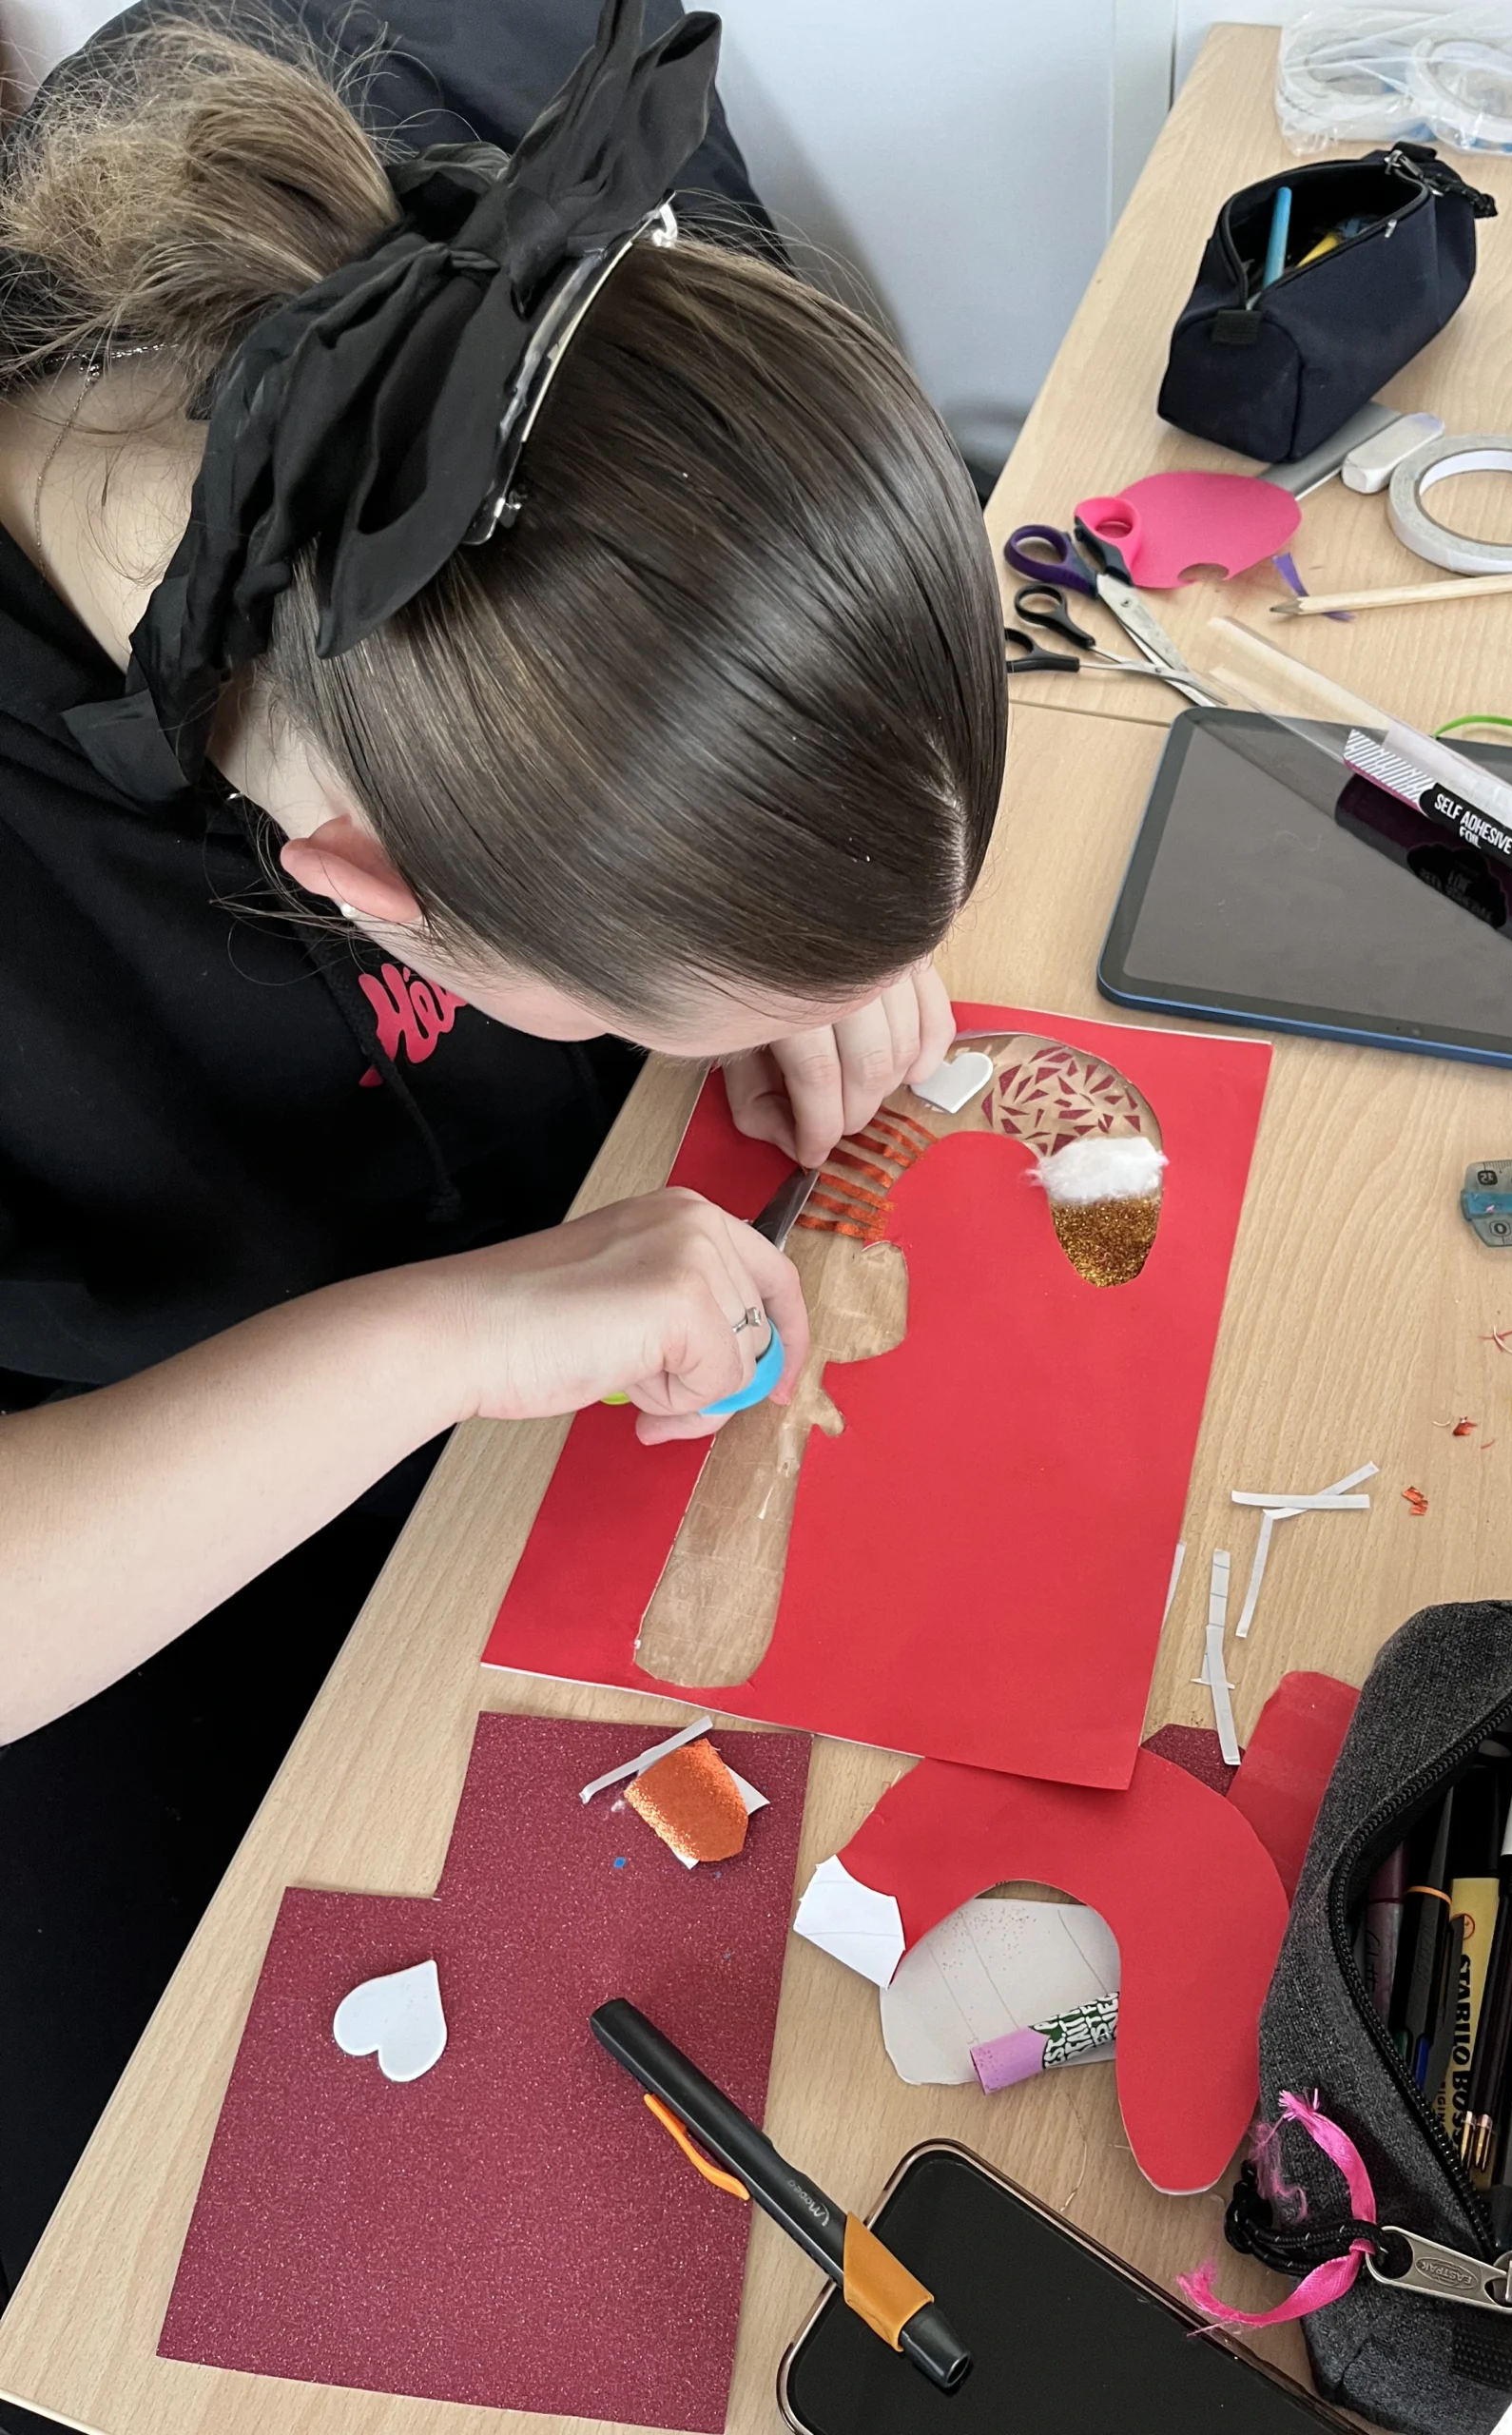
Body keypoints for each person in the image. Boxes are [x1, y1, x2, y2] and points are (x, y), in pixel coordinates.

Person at [0, 0, 1005, 2338]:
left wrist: (817, 912)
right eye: (645, 995)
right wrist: (450, 1333)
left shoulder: (478, 89)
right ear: (356, 888)